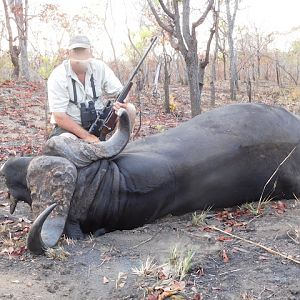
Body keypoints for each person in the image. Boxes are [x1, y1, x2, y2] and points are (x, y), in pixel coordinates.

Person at [47, 35, 136, 143]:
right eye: (76, 51)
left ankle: (119, 146)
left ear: (90, 52)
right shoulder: (58, 75)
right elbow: (59, 116)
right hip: (70, 130)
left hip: (98, 125)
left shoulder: (100, 67)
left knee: (129, 109)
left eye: (83, 51)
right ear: (69, 53)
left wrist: (122, 102)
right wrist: (87, 137)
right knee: (63, 141)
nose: (80, 56)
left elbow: (120, 92)